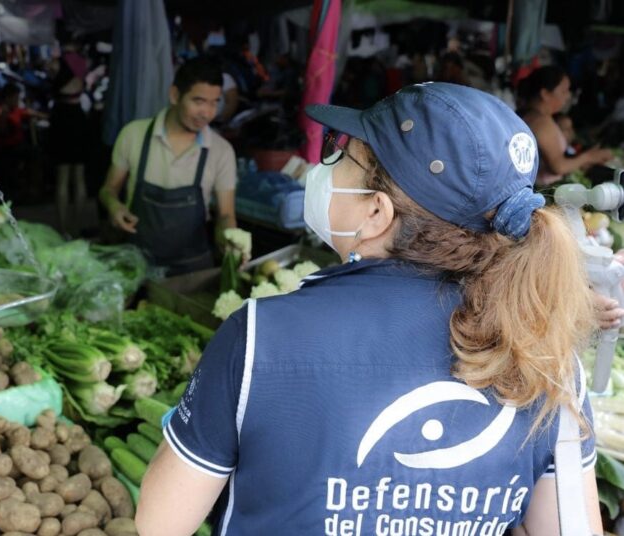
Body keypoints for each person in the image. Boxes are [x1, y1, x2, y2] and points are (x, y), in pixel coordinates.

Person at [135, 83, 603, 534]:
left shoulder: (260, 337)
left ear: (377, 213)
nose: (327, 164)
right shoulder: (551, 358)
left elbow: (158, 524)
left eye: (342, 154)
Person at [99, 57, 238, 275]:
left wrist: (229, 237)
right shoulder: (133, 135)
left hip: (193, 268)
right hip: (136, 264)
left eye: (214, 103)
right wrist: (114, 207)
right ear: (174, 95)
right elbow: (108, 190)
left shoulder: (221, 151)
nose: (207, 113)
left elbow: (226, 214)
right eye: (199, 101)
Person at [519, 65, 612, 187]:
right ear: (545, 94)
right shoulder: (541, 122)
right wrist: (588, 157)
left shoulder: (534, 115)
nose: (568, 96)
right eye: (564, 91)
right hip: (542, 189)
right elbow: (558, 167)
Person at [49, 41, 90, 236]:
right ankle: (77, 226)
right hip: (78, 116)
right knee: (79, 176)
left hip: (61, 116)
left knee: (63, 178)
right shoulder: (83, 62)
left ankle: (63, 229)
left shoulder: (56, 63)